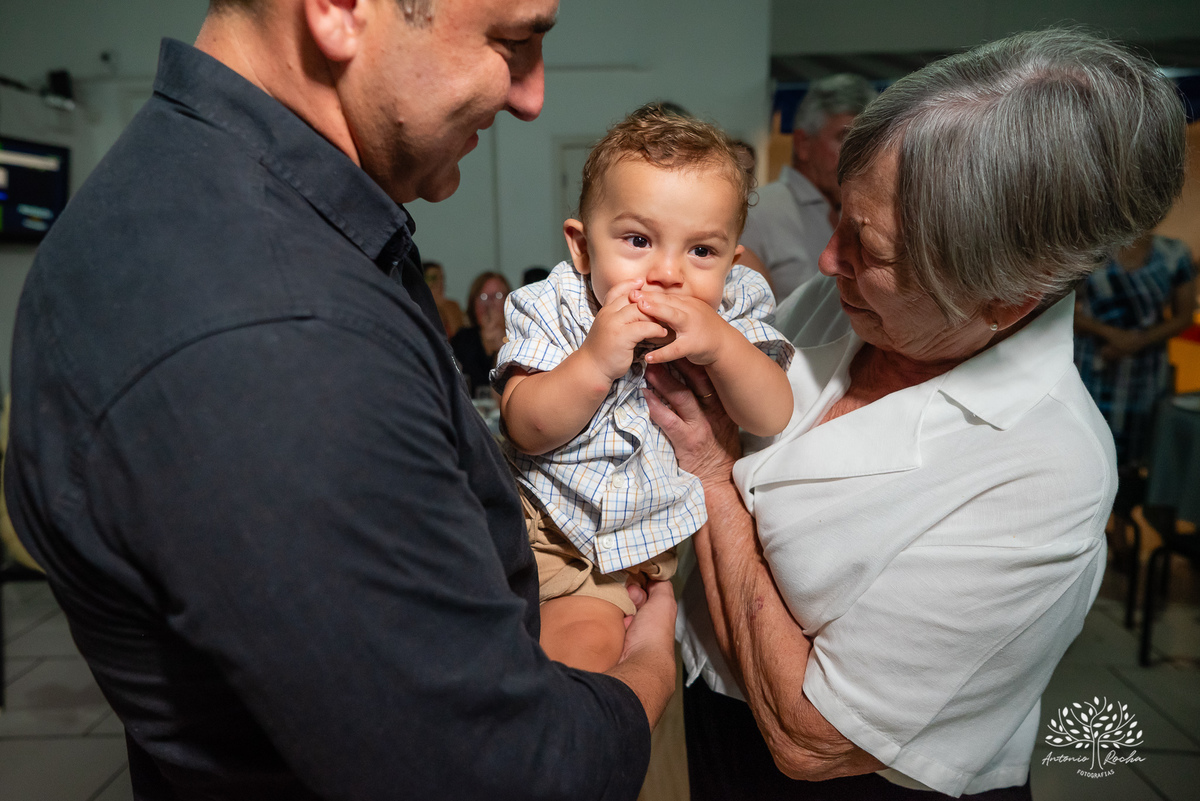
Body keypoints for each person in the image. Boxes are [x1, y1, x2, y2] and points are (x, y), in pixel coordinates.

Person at [3, 1, 678, 799]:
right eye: (513, 40)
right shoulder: (272, 333)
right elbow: (501, 774)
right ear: (337, 10)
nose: (532, 94)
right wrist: (648, 670)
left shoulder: (188, 189)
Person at [644, 29, 1185, 800]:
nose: (829, 260)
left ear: (1003, 299)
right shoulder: (840, 306)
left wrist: (712, 478)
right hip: (710, 720)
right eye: (838, 215)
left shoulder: (1045, 470)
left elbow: (813, 738)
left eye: (868, 247)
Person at [493, 106, 794, 673]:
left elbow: (772, 412)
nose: (668, 273)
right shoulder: (555, 306)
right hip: (550, 530)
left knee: (598, 651)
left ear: (733, 260)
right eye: (638, 240)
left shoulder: (732, 309)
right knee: (579, 653)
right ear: (582, 247)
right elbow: (525, 427)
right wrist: (593, 362)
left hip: (638, 550)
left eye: (701, 250)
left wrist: (723, 346)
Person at [739, 73, 875, 301]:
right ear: (803, 144)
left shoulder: (862, 215)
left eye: (864, 141)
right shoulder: (758, 211)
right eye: (844, 137)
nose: (857, 154)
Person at [1074, 232, 1198, 468]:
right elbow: (1064, 308)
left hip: (1145, 370)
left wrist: (1136, 341)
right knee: (1086, 446)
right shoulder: (1091, 245)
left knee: (1139, 454)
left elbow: (1184, 317)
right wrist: (1111, 334)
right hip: (1094, 364)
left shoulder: (1174, 252)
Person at [451, 270, 511, 395]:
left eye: (498, 296)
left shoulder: (519, 339)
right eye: (483, 297)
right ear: (473, 303)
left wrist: (501, 348)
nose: (490, 304)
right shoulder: (462, 340)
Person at [423, 259, 467, 338]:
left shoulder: (452, 306)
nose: (440, 282)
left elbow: (460, 337)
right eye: (433, 278)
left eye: (442, 278)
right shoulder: (417, 306)